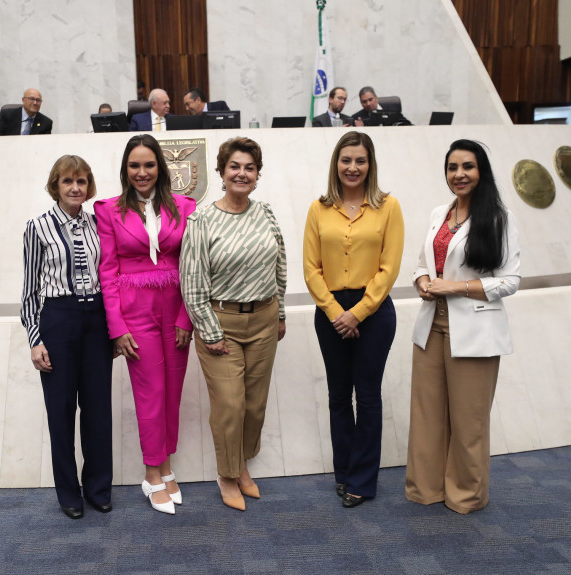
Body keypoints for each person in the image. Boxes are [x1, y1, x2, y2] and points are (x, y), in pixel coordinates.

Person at [405, 139, 521, 514]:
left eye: (467, 167)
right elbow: (423, 264)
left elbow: (510, 281)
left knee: (469, 423)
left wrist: (453, 287)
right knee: (427, 417)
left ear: (481, 171)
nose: (459, 174)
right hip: (431, 328)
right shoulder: (440, 213)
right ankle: (426, 488)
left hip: (475, 333)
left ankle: (465, 496)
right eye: (453, 167)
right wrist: (423, 282)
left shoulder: (499, 218)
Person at [180, 137, 287, 512]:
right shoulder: (202, 219)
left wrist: (282, 312)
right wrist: (208, 330)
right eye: (235, 167)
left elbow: (280, 264)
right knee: (230, 405)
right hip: (220, 322)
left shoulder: (266, 214)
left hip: (264, 319)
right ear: (222, 173)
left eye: (250, 168)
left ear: (257, 175)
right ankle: (227, 475)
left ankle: (241, 464)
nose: (242, 173)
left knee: (254, 405)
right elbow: (191, 282)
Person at [94, 134, 196, 515]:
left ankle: (167, 467)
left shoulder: (185, 207)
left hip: (175, 307)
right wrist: (117, 327)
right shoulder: (107, 210)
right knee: (150, 394)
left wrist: (187, 317)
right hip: (135, 311)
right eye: (134, 166)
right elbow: (107, 271)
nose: (142, 172)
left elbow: (192, 266)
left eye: (149, 165)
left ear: (160, 168)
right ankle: (152, 474)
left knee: (172, 390)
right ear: (125, 169)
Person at [303, 131, 404, 509]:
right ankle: (344, 473)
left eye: (360, 160)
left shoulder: (388, 207)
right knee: (338, 397)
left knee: (368, 396)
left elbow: (389, 268)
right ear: (336, 163)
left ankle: (363, 480)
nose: (352, 167)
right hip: (330, 311)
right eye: (346, 160)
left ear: (370, 164)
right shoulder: (319, 208)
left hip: (374, 312)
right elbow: (311, 269)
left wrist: (358, 312)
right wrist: (335, 313)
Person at [20, 155, 112, 519]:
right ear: (55, 185)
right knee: (60, 412)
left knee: (97, 409)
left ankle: (98, 487)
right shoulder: (38, 227)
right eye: (68, 181)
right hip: (58, 320)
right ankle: (68, 493)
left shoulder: (98, 225)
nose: (76, 188)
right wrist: (35, 339)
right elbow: (29, 291)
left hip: (97, 319)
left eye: (82, 181)